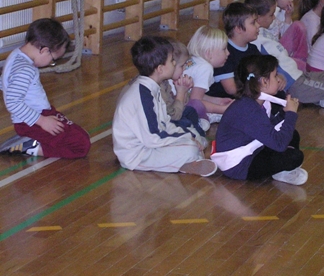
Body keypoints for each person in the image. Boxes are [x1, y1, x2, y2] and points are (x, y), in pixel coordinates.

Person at [112, 36, 216, 176]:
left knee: (195, 142)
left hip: (149, 145)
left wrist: (189, 136)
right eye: (172, 60)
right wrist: (186, 139)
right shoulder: (143, 95)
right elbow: (153, 137)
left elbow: (166, 122)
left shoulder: (153, 88)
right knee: (191, 148)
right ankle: (186, 161)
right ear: (160, 69)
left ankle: (185, 163)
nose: (175, 63)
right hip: (136, 155)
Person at [247, 0, 324, 110]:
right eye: (271, 15)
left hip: (299, 74)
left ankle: (320, 99)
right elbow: (261, 68)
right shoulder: (256, 40)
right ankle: (316, 98)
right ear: (258, 18)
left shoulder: (264, 31)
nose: (274, 18)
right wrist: (278, 76)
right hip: (293, 83)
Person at [211, 54, 308, 185]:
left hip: (252, 148)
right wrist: (291, 114)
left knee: (292, 135)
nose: (278, 79)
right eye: (275, 75)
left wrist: (284, 113)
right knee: (294, 156)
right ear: (264, 82)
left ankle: (280, 170)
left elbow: (268, 128)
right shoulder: (247, 109)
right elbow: (279, 144)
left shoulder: (260, 102)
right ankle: (281, 171)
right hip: (239, 165)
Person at [0, 18, 91, 158]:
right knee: (81, 146)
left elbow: (5, 82)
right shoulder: (25, 69)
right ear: (44, 50)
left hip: (38, 115)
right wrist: (42, 121)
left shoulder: (16, 55)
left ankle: (31, 139)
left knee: (81, 134)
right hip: (32, 122)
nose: (51, 63)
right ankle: (30, 147)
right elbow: (13, 102)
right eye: (53, 60)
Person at [207, 2, 263, 98]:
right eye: (253, 22)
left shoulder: (253, 49)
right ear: (238, 29)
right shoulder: (223, 53)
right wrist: (260, 91)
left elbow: (265, 71)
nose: (258, 25)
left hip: (246, 95)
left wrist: (277, 78)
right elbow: (232, 90)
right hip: (224, 101)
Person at [183, 26, 233, 123]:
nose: (228, 53)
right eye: (224, 49)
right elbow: (195, 102)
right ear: (208, 53)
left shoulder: (194, 60)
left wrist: (218, 101)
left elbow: (194, 93)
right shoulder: (206, 68)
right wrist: (222, 109)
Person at [161, 39, 209, 135]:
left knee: (190, 111)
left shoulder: (165, 82)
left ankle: (198, 131)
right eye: (182, 66)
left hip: (173, 115)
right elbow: (174, 116)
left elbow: (182, 105)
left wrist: (184, 90)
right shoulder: (160, 87)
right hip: (165, 122)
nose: (184, 69)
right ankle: (197, 134)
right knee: (185, 122)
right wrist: (181, 93)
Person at [264, 0, 309, 68]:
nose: (291, 0)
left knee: (298, 26)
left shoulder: (283, 12)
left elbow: (287, 35)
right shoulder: (267, 13)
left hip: (281, 49)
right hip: (271, 52)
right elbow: (272, 33)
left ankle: (300, 59)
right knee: (298, 25)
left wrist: (288, 17)